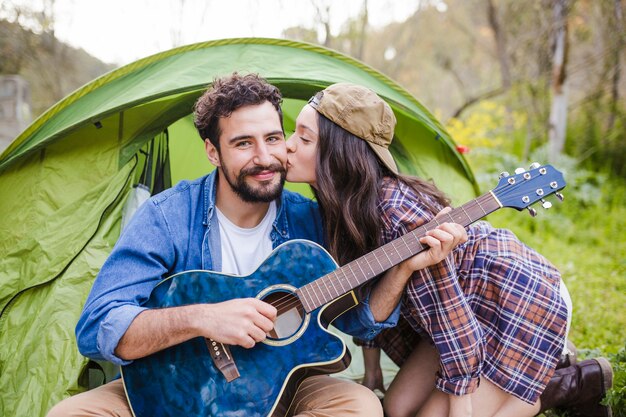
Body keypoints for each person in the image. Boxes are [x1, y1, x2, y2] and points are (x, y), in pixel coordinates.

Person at [45, 72, 464, 417]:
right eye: (243, 143)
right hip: (171, 390)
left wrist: (405, 265)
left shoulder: (309, 219)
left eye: (273, 137)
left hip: (279, 387)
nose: (265, 157)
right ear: (212, 151)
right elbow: (98, 325)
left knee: (359, 406)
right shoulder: (167, 216)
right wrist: (203, 318)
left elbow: (359, 322)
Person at [284, 83, 613, 417]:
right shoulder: (341, 206)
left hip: (518, 299)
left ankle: (573, 382)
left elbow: (450, 315)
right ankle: (541, 366)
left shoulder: (397, 214)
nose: (288, 146)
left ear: (340, 154)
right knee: (397, 409)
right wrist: (372, 371)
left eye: (304, 138)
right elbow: (365, 286)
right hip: (468, 304)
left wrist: (461, 406)